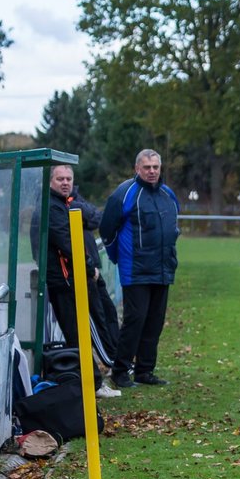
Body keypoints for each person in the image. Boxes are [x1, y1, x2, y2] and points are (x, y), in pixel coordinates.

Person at [31, 164, 122, 398]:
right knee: (81, 332)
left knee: (92, 326)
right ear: (50, 181)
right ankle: (94, 382)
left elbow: (96, 219)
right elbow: (67, 243)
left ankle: (102, 374)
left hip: (75, 277)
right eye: (60, 178)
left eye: (68, 178)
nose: (65, 182)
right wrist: (89, 268)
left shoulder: (68, 202)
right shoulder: (51, 207)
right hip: (68, 281)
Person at [100, 149, 180, 388]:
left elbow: (173, 226)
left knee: (155, 322)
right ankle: (120, 371)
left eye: (155, 167)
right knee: (135, 320)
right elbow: (107, 231)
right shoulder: (124, 194)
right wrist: (121, 258)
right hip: (135, 270)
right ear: (137, 169)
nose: (152, 171)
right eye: (147, 167)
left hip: (163, 269)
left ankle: (145, 371)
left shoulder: (168, 194)